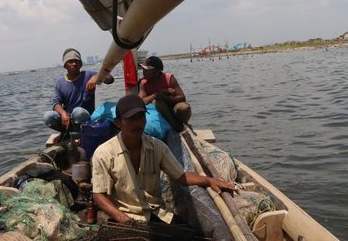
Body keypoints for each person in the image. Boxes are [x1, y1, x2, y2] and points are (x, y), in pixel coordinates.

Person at [91, 94, 235, 224]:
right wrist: (121, 218)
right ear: (118, 123)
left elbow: (182, 177)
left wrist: (209, 180)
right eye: (131, 119)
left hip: (157, 213)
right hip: (125, 216)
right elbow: (99, 195)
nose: (137, 123)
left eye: (141, 117)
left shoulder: (157, 147)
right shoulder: (104, 153)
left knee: (186, 234)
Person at [43, 48, 100, 141]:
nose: (74, 63)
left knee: (78, 112)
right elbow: (56, 103)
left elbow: (109, 78)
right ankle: (65, 133)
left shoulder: (89, 75)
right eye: (70, 61)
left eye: (76, 61)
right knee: (48, 116)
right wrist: (63, 114)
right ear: (65, 65)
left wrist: (96, 77)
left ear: (81, 64)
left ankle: (81, 135)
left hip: (84, 117)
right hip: (68, 119)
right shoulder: (60, 82)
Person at [138, 56, 191, 132]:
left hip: (173, 106)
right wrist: (157, 94)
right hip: (158, 112)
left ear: (156, 71)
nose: (143, 71)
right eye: (143, 69)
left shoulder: (169, 78)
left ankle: (182, 123)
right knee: (157, 102)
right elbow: (141, 102)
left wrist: (167, 99)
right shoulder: (143, 83)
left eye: (146, 70)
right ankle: (175, 126)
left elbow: (182, 97)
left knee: (184, 108)